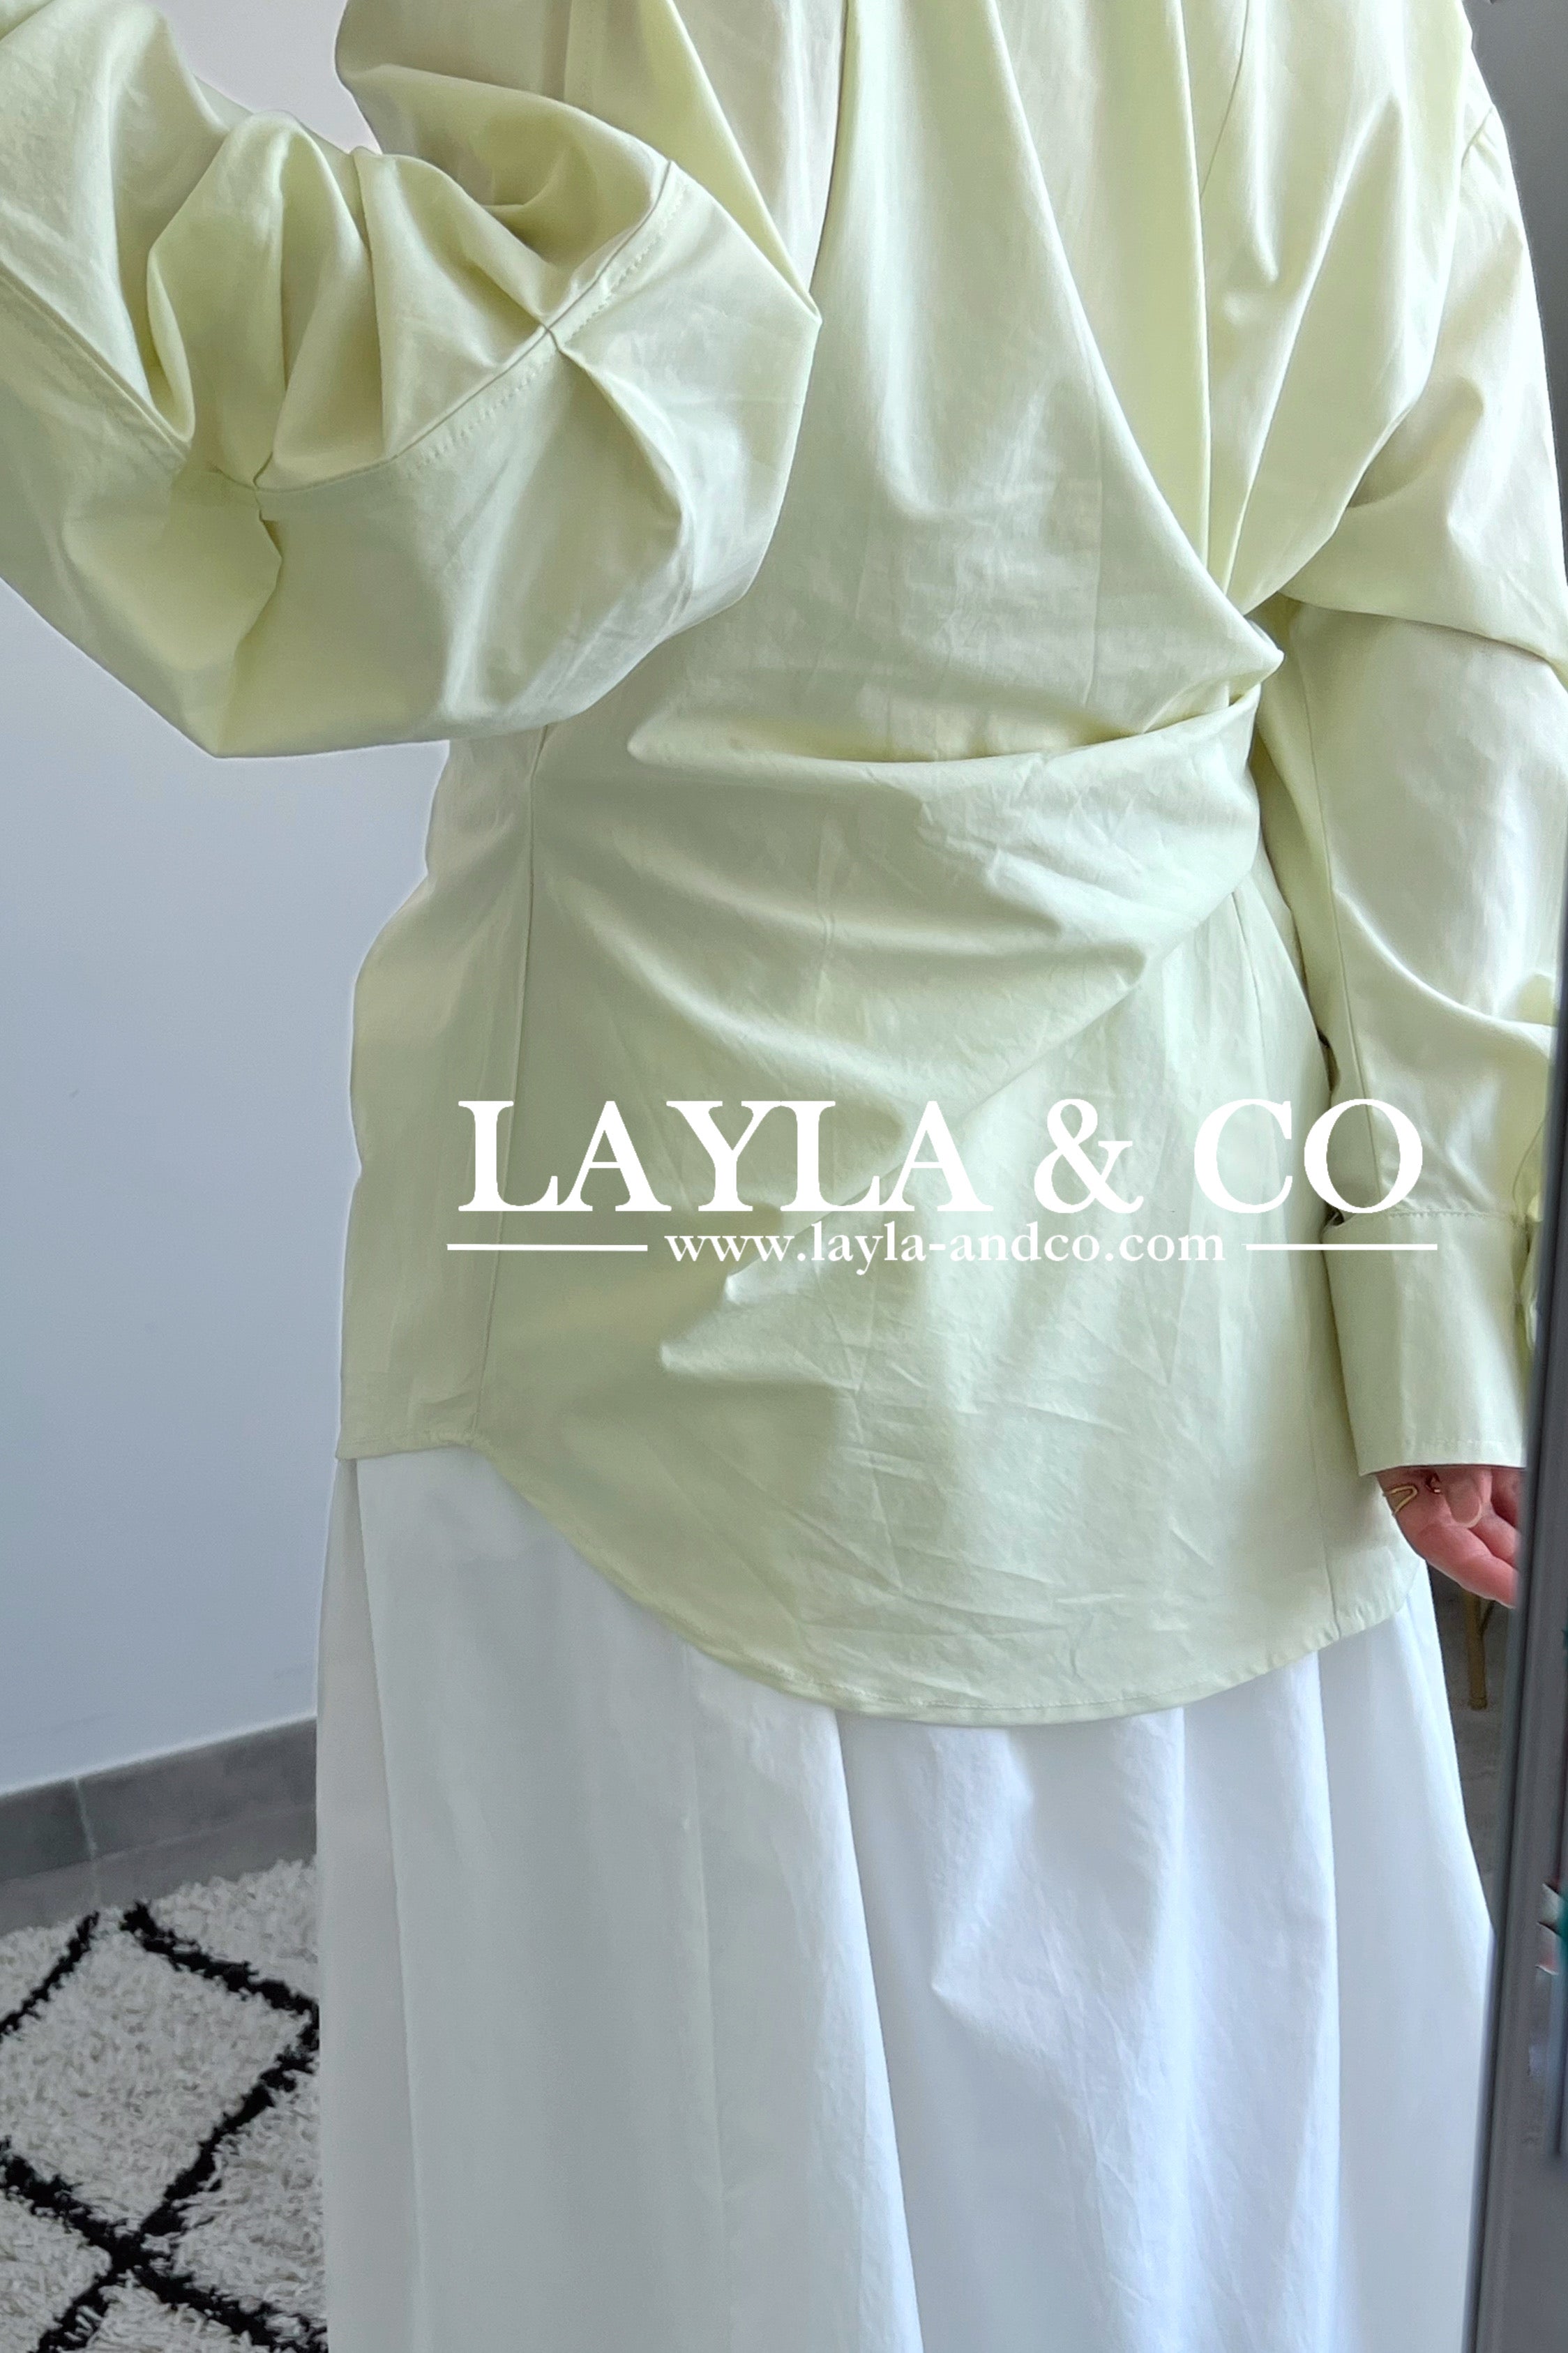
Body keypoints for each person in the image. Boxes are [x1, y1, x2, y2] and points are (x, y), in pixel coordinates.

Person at [1, 0, 1565, 2345]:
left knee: (703, 2190)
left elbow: (499, 475)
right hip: (1207, 1261)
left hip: (663, 1299)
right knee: (1194, 2166)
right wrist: (1434, 1268)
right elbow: (1445, 625)